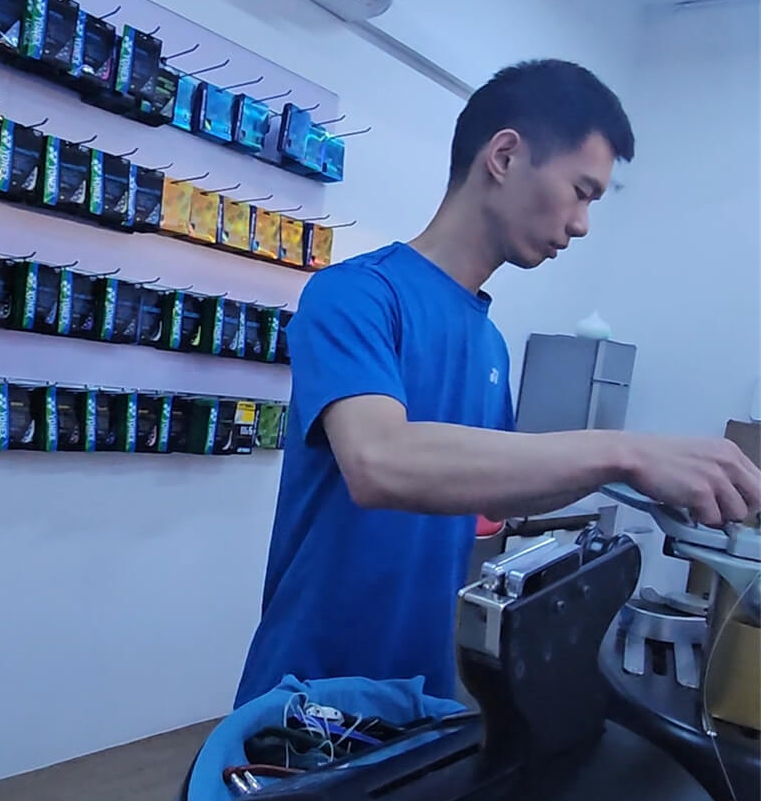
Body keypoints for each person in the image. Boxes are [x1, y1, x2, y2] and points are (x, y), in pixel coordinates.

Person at [233, 59, 761, 709]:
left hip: (422, 693)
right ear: (506, 156)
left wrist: (647, 488)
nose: (583, 223)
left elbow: (486, 503)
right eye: (581, 190)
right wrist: (625, 451)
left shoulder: (488, 341)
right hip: (307, 692)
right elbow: (381, 462)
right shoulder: (356, 295)